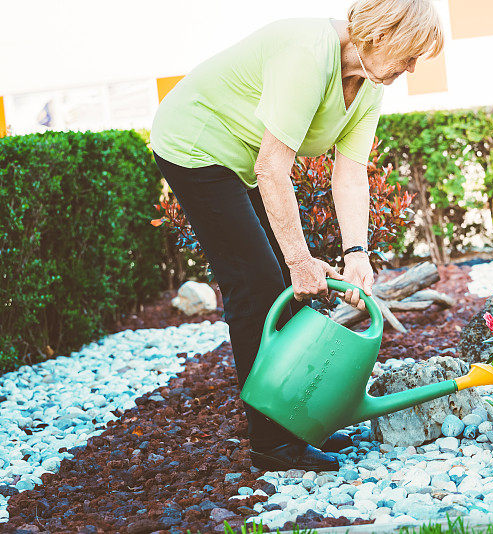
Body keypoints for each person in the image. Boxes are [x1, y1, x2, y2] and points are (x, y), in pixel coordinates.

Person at [150, 0, 443, 471]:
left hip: (242, 159)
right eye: (409, 56)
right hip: (195, 141)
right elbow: (272, 167)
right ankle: (272, 443)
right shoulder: (308, 53)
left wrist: (357, 253)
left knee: (285, 287)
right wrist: (299, 259)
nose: (410, 69)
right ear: (384, 33)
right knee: (259, 286)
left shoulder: (368, 85)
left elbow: (349, 173)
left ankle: (293, 420)